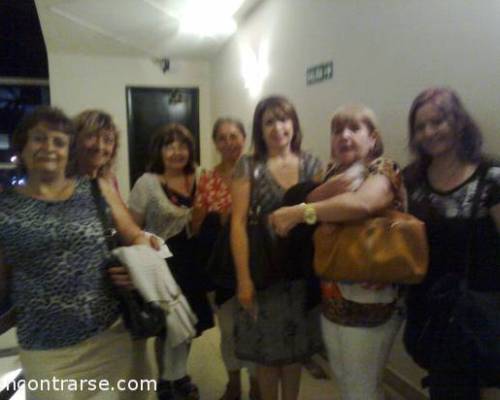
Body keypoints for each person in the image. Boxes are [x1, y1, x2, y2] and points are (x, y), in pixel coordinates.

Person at [0, 106, 155, 400]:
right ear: (22, 145)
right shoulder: (5, 207)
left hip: (110, 334)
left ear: (68, 149)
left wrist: (139, 267)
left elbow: (135, 236)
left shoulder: (96, 188)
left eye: (58, 141)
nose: (49, 148)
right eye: (39, 139)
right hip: (45, 346)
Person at [271, 104, 405, 400]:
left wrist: (298, 212)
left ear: (373, 138)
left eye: (354, 128)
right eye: (337, 130)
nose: (344, 135)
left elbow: (362, 205)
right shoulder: (332, 173)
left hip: (371, 294)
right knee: (345, 381)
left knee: (362, 388)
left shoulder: (383, 168)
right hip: (332, 293)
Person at [402, 87, 500, 400]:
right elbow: (397, 229)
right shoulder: (412, 179)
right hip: (430, 311)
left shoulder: (490, 176)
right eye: (420, 127)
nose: (429, 132)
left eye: (438, 121)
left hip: (480, 311)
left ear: (459, 122)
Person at [231, 96, 323, 400]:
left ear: (294, 124)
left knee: (295, 352)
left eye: (283, 119)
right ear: (260, 128)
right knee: (267, 354)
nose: (277, 127)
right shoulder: (249, 166)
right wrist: (243, 279)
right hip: (263, 273)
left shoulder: (312, 164)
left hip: (299, 273)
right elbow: (238, 225)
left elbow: (323, 218)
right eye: (269, 121)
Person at [128, 123, 214, 400]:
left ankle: (180, 374)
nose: (177, 152)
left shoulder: (201, 176)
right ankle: (165, 381)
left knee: (187, 325)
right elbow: (133, 228)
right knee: (168, 326)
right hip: (161, 262)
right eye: (170, 145)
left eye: (183, 145)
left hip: (192, 261)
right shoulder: (147, 183)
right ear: (160, 150)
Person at [192, 117, 261, 400]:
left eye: (234, 135)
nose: (229, 142)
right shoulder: (208, 178)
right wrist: (209, 216)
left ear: (244, 138)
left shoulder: (259, 170)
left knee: (257, 327)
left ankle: (257, 384)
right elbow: (196, 226)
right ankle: (233, 382)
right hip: (222, 265)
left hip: (256, 262)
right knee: (229, 328)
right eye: (222, 137)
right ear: (215, 143)